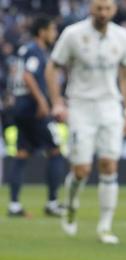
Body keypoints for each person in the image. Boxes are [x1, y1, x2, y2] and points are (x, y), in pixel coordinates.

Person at [45, 0, 126, 244]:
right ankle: (71, 204)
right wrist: (57, 102)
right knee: (81, 170)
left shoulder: (123, 36)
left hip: (110, 106)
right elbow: (52, 68)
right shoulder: (73, 34)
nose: (103, 13)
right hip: (81, 106)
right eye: (99, 9)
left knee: (108, 165)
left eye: (107, 9)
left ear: (113, 10)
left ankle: (105, 227)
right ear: (90, 9)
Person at [7, 16, 65, 218]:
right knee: (56, 150)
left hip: (20, 107)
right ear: (42, 32)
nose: (54, 34)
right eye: (52, 29)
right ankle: (52, 202)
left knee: (22, 153)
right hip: (32, 108)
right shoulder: (35, 51)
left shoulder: (25, 50)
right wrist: (42, 101)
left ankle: (14, 205)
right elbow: (28, 76)